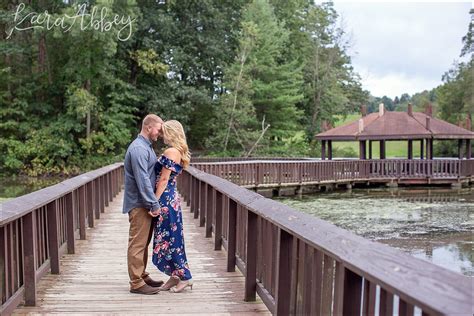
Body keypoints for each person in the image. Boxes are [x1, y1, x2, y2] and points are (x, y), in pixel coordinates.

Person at [123, 114, 165, 295]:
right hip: (140, 204)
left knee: (143, 242)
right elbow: (143, 181)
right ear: (148, 127)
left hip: (144, 203)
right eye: (158, 129)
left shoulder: (145, 147)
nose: (160, 133)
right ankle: (136, 282)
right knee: (137, 243)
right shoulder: (139, 149)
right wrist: (153, 204)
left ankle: (142, 274)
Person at [150, 120, 193, 293]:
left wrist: (154, 201)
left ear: (171, 133)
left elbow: (163, 179)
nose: (161, 135)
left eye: (164, 132)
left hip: (166, 200)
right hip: (171, 199)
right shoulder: (178, 151)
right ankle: (175, 277)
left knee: (171, 240)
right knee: (171, 238)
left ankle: (185, 277)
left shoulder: (171, 151)